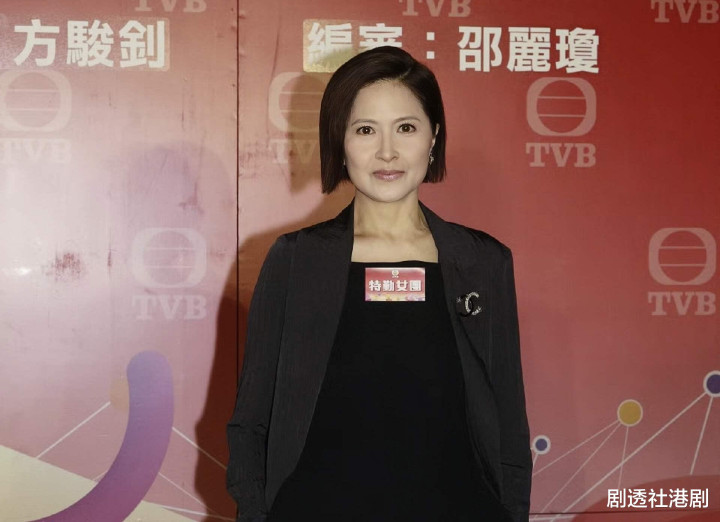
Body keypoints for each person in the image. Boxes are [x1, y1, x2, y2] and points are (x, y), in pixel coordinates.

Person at [227, 46, 531, 522]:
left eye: (406, 128)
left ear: (434, 137)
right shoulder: (297, 261)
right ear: (340, 141)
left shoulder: (483, 263)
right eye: (366, 130)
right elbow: (251, 422)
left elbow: (509, 426)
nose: (387, 152)